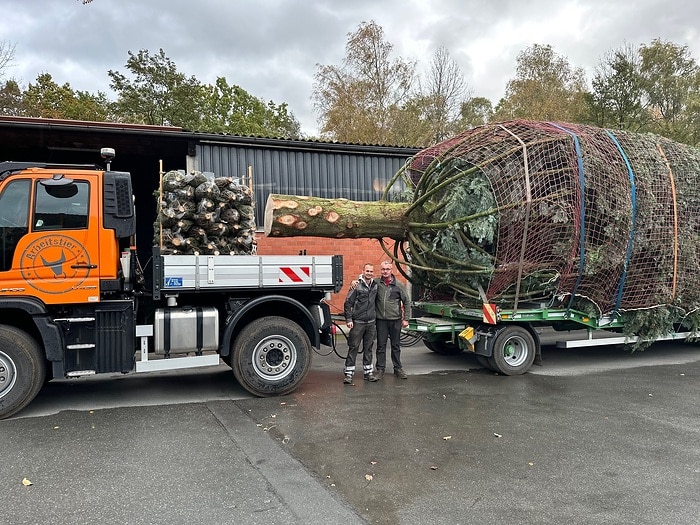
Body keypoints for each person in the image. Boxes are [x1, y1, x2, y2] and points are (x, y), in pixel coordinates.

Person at [374, 260, 411, 380]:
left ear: (392, 270)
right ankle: (380, 369)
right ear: (381, 270)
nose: (385, 271)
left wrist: (406, 319)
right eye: (383, 269)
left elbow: (407, 302)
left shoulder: (399, 285)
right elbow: (364, 280)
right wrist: (355, 281)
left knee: (395, 346)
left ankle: (398, 368)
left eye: (387, 269)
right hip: (381, 321)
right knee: (381, 346)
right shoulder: (376, 283)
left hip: (395, 320)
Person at [343, 263, 379, 384]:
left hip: (371, 322)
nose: (369, 273)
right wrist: (348, 319)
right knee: (353, 347)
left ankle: (368, 372)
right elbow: (348, 303)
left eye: (371, 271)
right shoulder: (356, 286)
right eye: (367, 271)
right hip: (358, 322)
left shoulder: (375, 285)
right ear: (363, 271)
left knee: (368, 348)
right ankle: (348, 374)